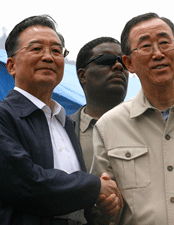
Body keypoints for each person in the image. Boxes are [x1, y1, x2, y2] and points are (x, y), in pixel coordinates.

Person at [0, 15, 122, 225]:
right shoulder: (4, 116)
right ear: (11, 65)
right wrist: (94, 187)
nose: (48, 57)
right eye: (36, 49)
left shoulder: (64, 122)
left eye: (56, 51)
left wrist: (100, 201)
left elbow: (68, 198)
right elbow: (25, 183)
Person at [91, 12, 174, 224]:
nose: (158, 53)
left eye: (164, 43)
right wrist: (105, 204)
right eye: (146, 46)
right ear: (128, 63)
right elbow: (103, 210)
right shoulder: (109, 125)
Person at [69, 37, 129, 173]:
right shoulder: (60, 131)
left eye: (124, 62)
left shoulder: (146, 126)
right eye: (106, 60)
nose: (118, 66)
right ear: (82, 75)